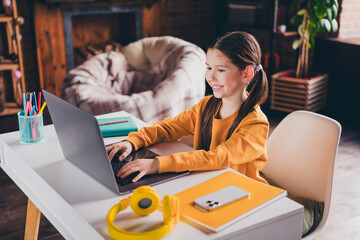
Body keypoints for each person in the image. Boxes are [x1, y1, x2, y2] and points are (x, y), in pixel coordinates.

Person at [107, 31, 269, 184]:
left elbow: (217, 158)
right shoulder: (206, 106)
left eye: (220, 70)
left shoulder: (256, 124)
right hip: (207, 182)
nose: (211, 77)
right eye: (209, 68)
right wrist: (133, 142)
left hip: (242, 191)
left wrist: (157, 165)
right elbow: (168, 128)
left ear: (246, 74)